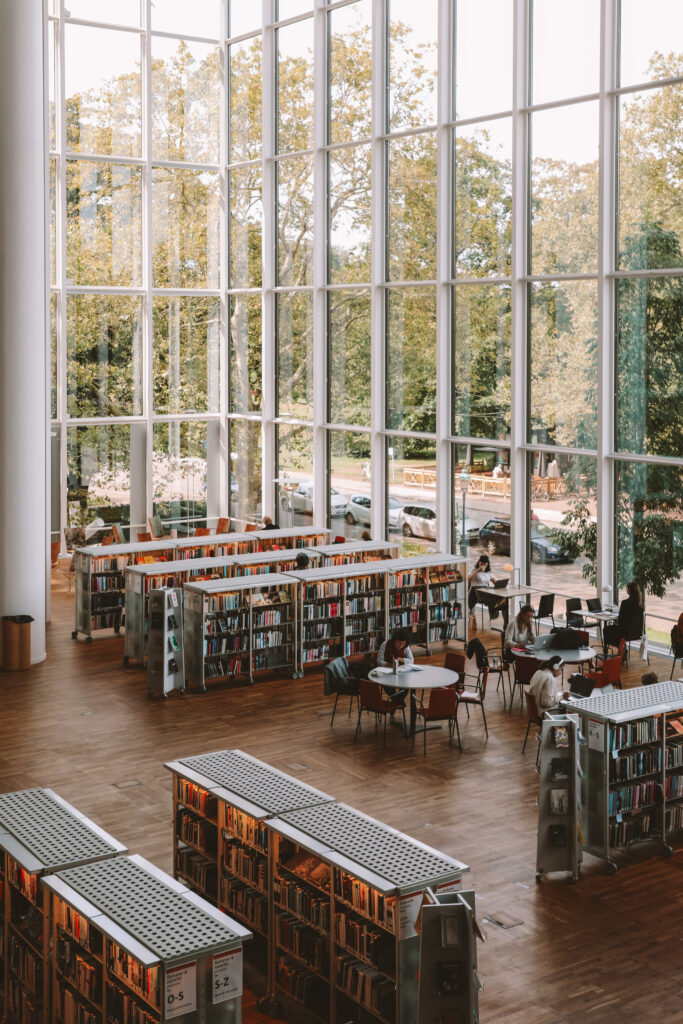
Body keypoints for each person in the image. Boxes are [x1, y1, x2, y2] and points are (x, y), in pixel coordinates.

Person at [467, 554, 508, 626]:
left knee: (505, 600)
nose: (483, 565)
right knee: (497, 598)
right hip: (478, 591)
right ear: (479, 562)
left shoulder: (488, 572)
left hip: (487, 589)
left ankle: (505, 623)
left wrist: (501, 584)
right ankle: (496, 605)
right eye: (481, 563)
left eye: (485, 564)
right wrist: (477, 570)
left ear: (487, 564)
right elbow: (469, 581)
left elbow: (495, 582)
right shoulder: (474, 569)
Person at [603, 580, 644, 651]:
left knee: (606, 629)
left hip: (625, 632)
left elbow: (621, 619)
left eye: (627, 589)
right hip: (637, 632)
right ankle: (622, 649)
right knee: (613, 629)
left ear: (629, 591)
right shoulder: (640, 604)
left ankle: (619, 648)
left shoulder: (625, 603)